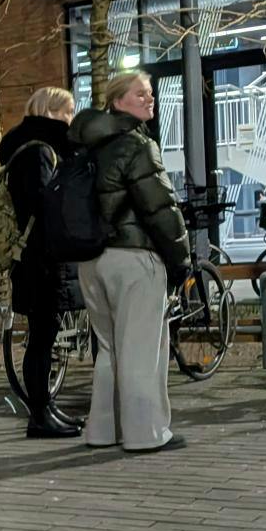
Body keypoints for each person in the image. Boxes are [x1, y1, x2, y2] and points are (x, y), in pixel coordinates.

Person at [68, 70, 190, 452]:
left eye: (150, 93)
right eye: (140, 94)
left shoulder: (85, 145)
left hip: (91, 260)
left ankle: (102, 430)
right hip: (134, 257)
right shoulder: (137, 145)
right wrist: (181, 260)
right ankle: (145, 434)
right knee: (141, 349)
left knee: (109, 348)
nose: (149, 99)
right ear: (118, 101)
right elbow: (159, 209)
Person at [0, 87, 81, 439]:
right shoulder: (38, 152)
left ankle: (45, 407)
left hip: (35, 258)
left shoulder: (28, 147)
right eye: (68, 111)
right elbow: (42, 205)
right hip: (39, 259)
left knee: (42, 338)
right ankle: (38, 415)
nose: (72, 118)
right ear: (51, 112)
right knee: (41, 339)